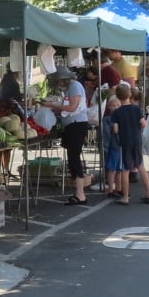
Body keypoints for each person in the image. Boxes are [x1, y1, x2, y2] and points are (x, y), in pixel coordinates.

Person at [46, 65, 91, 205]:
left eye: (58, 81)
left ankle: (80, 193)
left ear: (63, 79)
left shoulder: (75, 86)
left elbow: (72, 107)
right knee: (73, 159)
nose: (58, 84)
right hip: (72, 125)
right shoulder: (71, 88)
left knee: (74, 159)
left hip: (76, 125)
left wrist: (53, 105)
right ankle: (79, 192)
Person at [107, 84, 149, 205]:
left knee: (125, 169)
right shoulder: (136, 109)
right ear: (130, 95)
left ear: (117, 96)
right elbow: (144, 124)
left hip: (124, 142)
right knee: (140, 166)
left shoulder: (116, 113)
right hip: (136, 141)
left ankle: (125, 197)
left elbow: (115, 130)